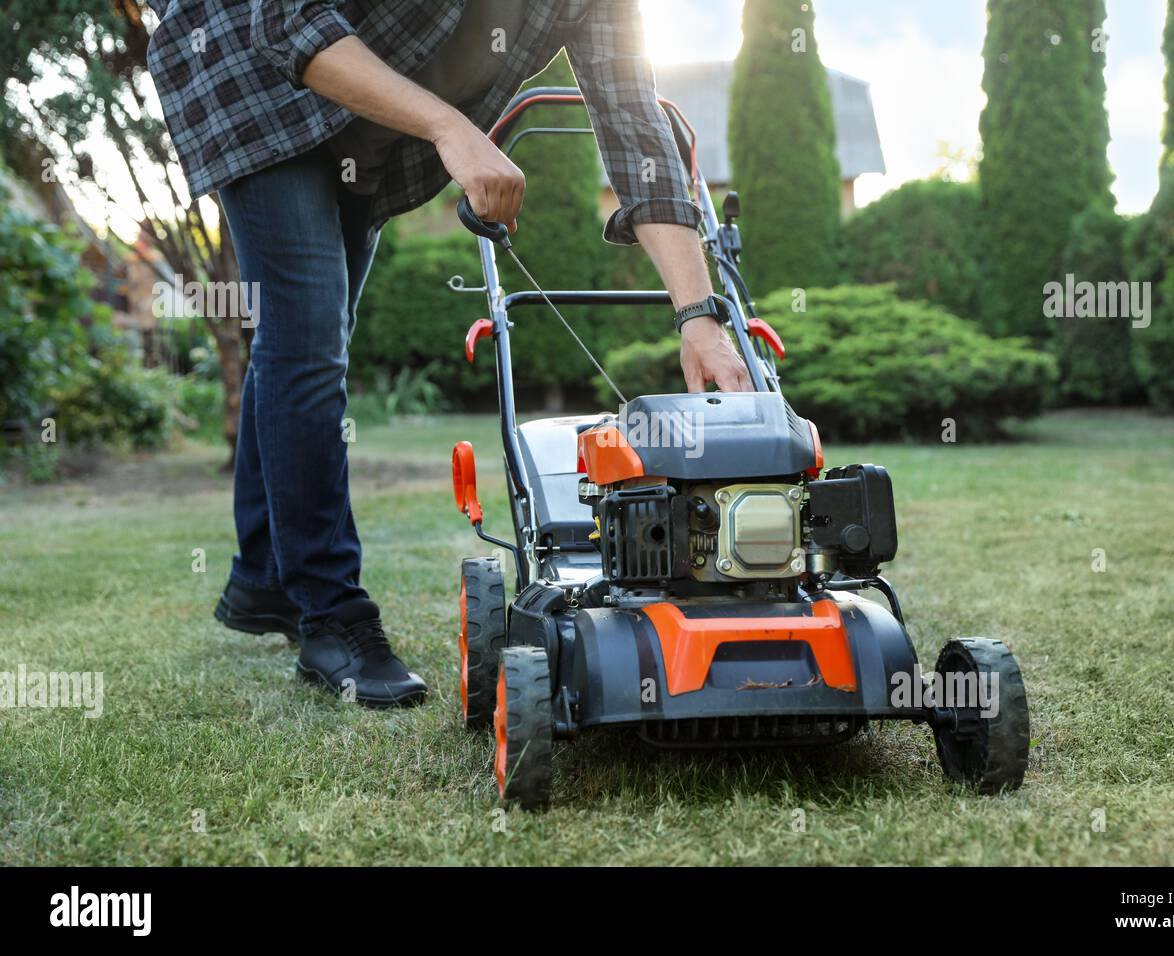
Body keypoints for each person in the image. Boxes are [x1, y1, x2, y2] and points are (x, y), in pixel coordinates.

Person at [145, 0, 750, 707]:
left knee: (307, 337)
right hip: (251, 75)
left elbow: (638, 133)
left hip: (363, 135)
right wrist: (449, 127)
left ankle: (263, 578)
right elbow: (290, 25)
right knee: (307, 345)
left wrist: (699, 315)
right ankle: (332, 615)